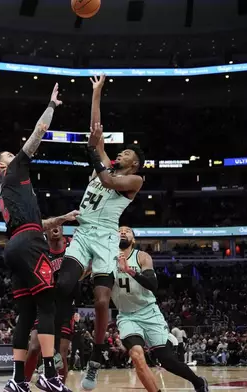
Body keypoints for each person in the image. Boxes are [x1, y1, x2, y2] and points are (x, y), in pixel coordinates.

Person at [55, 74, 145, 390]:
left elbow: (107, 181)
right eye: (121, 153)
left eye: (127, 156)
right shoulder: (104, 163)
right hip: (83, 233)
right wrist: (96, 93)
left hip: (106, 237)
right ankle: (55, 350)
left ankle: (95, 359)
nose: (121, 155)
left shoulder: (134, 182)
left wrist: (93, 152)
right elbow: (96, 133)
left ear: (134, 165)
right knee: (62, 284)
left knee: (102, 302)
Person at [0, 83, 78, 392]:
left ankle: (17, 379)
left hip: (15, 245)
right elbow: (38, 133)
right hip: (28, 244)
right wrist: (51, 106)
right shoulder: (14, 170)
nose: (16, 155)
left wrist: (63, 219)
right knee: (47, 306)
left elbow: (35, 223)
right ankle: (50, 375)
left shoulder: (5, 192)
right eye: (10, 155)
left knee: (25, 314)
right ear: (3, 165)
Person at [112, 227, 209, 392]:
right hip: (126, 315)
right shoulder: (107, 259)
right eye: (119, 230)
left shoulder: (142, 257)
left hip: (148, 312)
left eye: (127, 231)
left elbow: (153, 285)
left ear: (133, 240)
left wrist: (129, 271)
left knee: (167, 360)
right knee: (136, 355)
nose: (122, 232)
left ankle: (198, 382)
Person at [24, 224, 82, 384]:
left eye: (58, 226)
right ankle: (22, 384)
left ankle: (59, 386)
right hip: (45, 304)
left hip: (66, 307)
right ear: (46, 231)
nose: (55, 228)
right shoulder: (40, 250)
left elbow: (86, 269)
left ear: (63, 230)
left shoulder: (73, 247)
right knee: (35, 347)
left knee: (61, 354)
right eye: (51, 226)